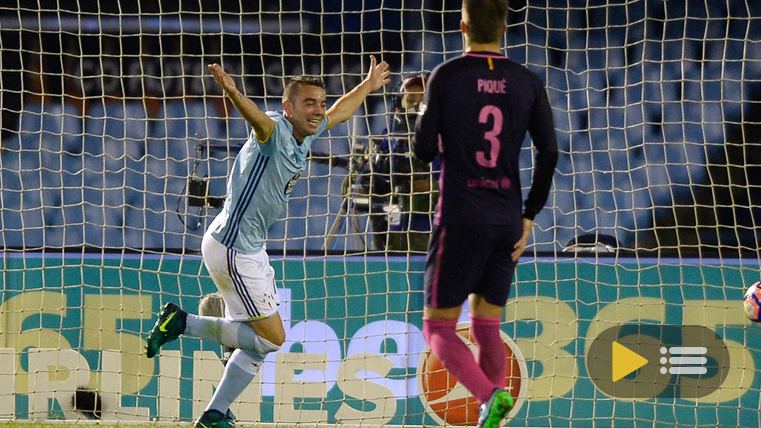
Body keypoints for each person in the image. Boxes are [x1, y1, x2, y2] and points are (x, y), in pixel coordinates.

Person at [144, 56, 390, 428]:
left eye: (320, 102)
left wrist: (368, 87)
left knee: (255, 346)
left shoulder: (304, 132)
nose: (318, 110)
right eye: (309, 103)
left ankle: (214, 414)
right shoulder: (276, 132)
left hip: (247, 248)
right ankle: (184, 323)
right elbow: (258, 121)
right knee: (272, 339)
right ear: (288, 107)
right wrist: (233, 93)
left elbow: (339, 112)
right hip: (234, 249)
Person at [411, 1, 559, 428]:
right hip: (508, 218)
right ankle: (490, 419)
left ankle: (489, 395)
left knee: (437, 329)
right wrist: (530, 214)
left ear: (462, 27)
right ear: (505, 27)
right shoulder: (527, 81)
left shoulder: (448, 75)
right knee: (486, 328)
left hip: (460, 216)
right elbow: (549, 152)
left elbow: (421, 152)